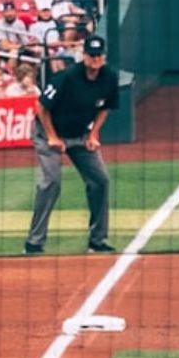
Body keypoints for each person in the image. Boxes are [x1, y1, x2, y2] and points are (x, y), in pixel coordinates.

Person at [24, 30, 118, 256]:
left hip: (79, 135)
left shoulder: (109, 77)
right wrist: (52, 137)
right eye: (91, 55)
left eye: (99, 55)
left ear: (104, 56)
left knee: (100, 180)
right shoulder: (67, 77)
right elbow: (42, 107)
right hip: (49, 131)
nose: (95, 59)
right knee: (51, 182)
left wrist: (94, 134)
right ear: (83, 56)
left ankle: (97, 240)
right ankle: (34, 242)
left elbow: (105, 107)